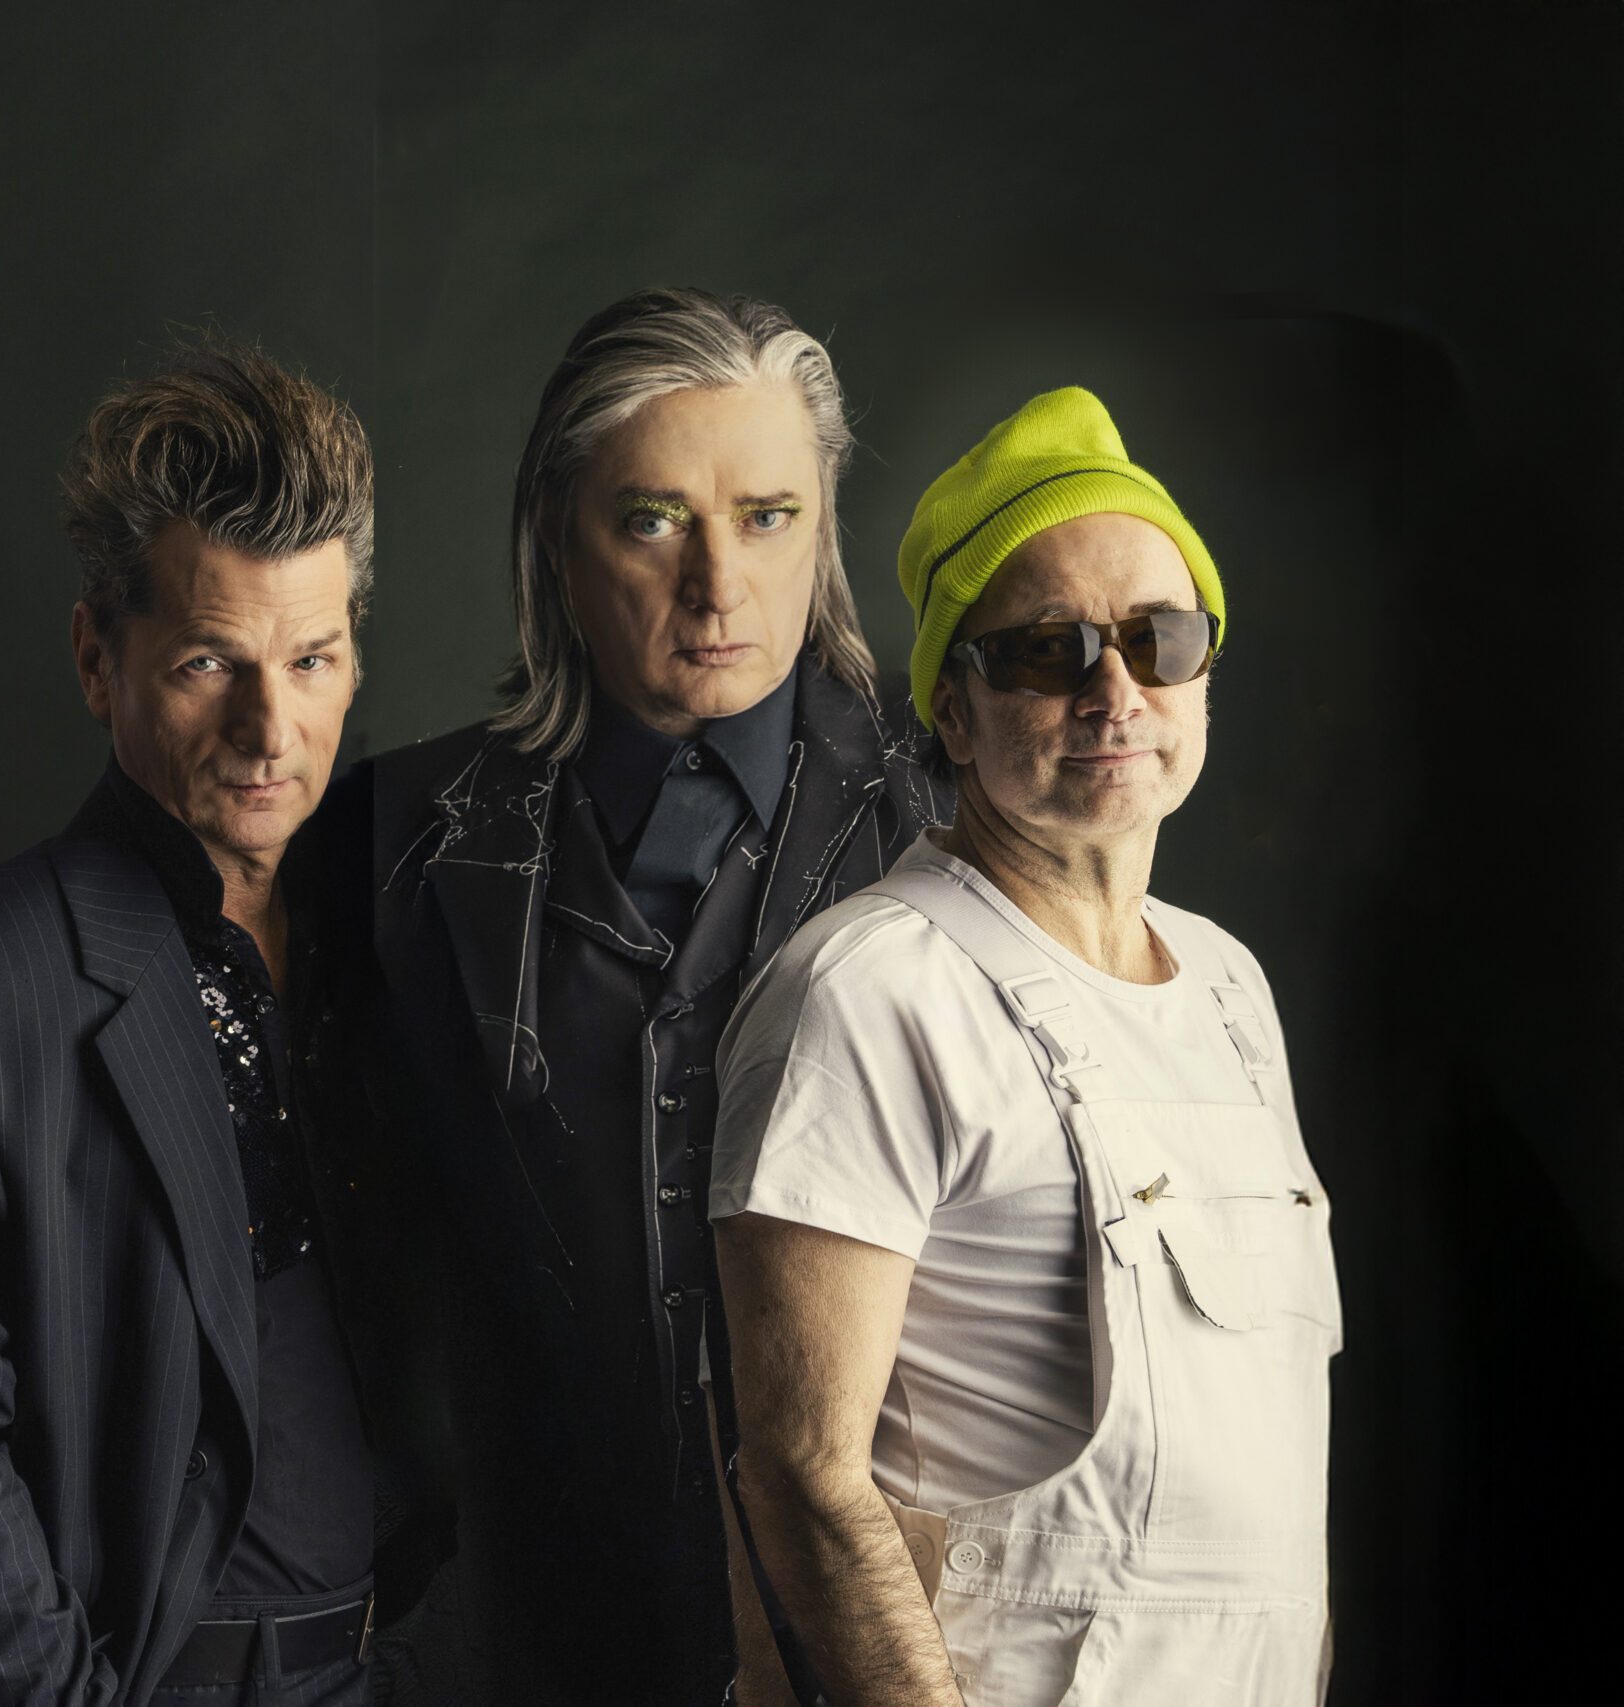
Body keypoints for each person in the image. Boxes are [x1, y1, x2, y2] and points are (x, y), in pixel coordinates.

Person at [0, 342, 433, 1707]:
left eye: (313, 659)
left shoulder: (400, 939)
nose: (271, 726)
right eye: (210, 662)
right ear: (99, 658)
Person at [346, 288, 946, 1707]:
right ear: (558, 538)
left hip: (894, 1636)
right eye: (654, 519)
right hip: (515, 1645)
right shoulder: (390, 841)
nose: (717, 584)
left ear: (824, 528)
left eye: (768, 517)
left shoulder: (954, 812)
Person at [710, 387, 1340, 1704]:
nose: (1117, 692)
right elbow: (802, 1477)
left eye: (1160, 640)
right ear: (953, 710)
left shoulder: (1232, 989)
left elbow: (1275, 1502)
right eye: (1049, 651)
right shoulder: (870, 992)